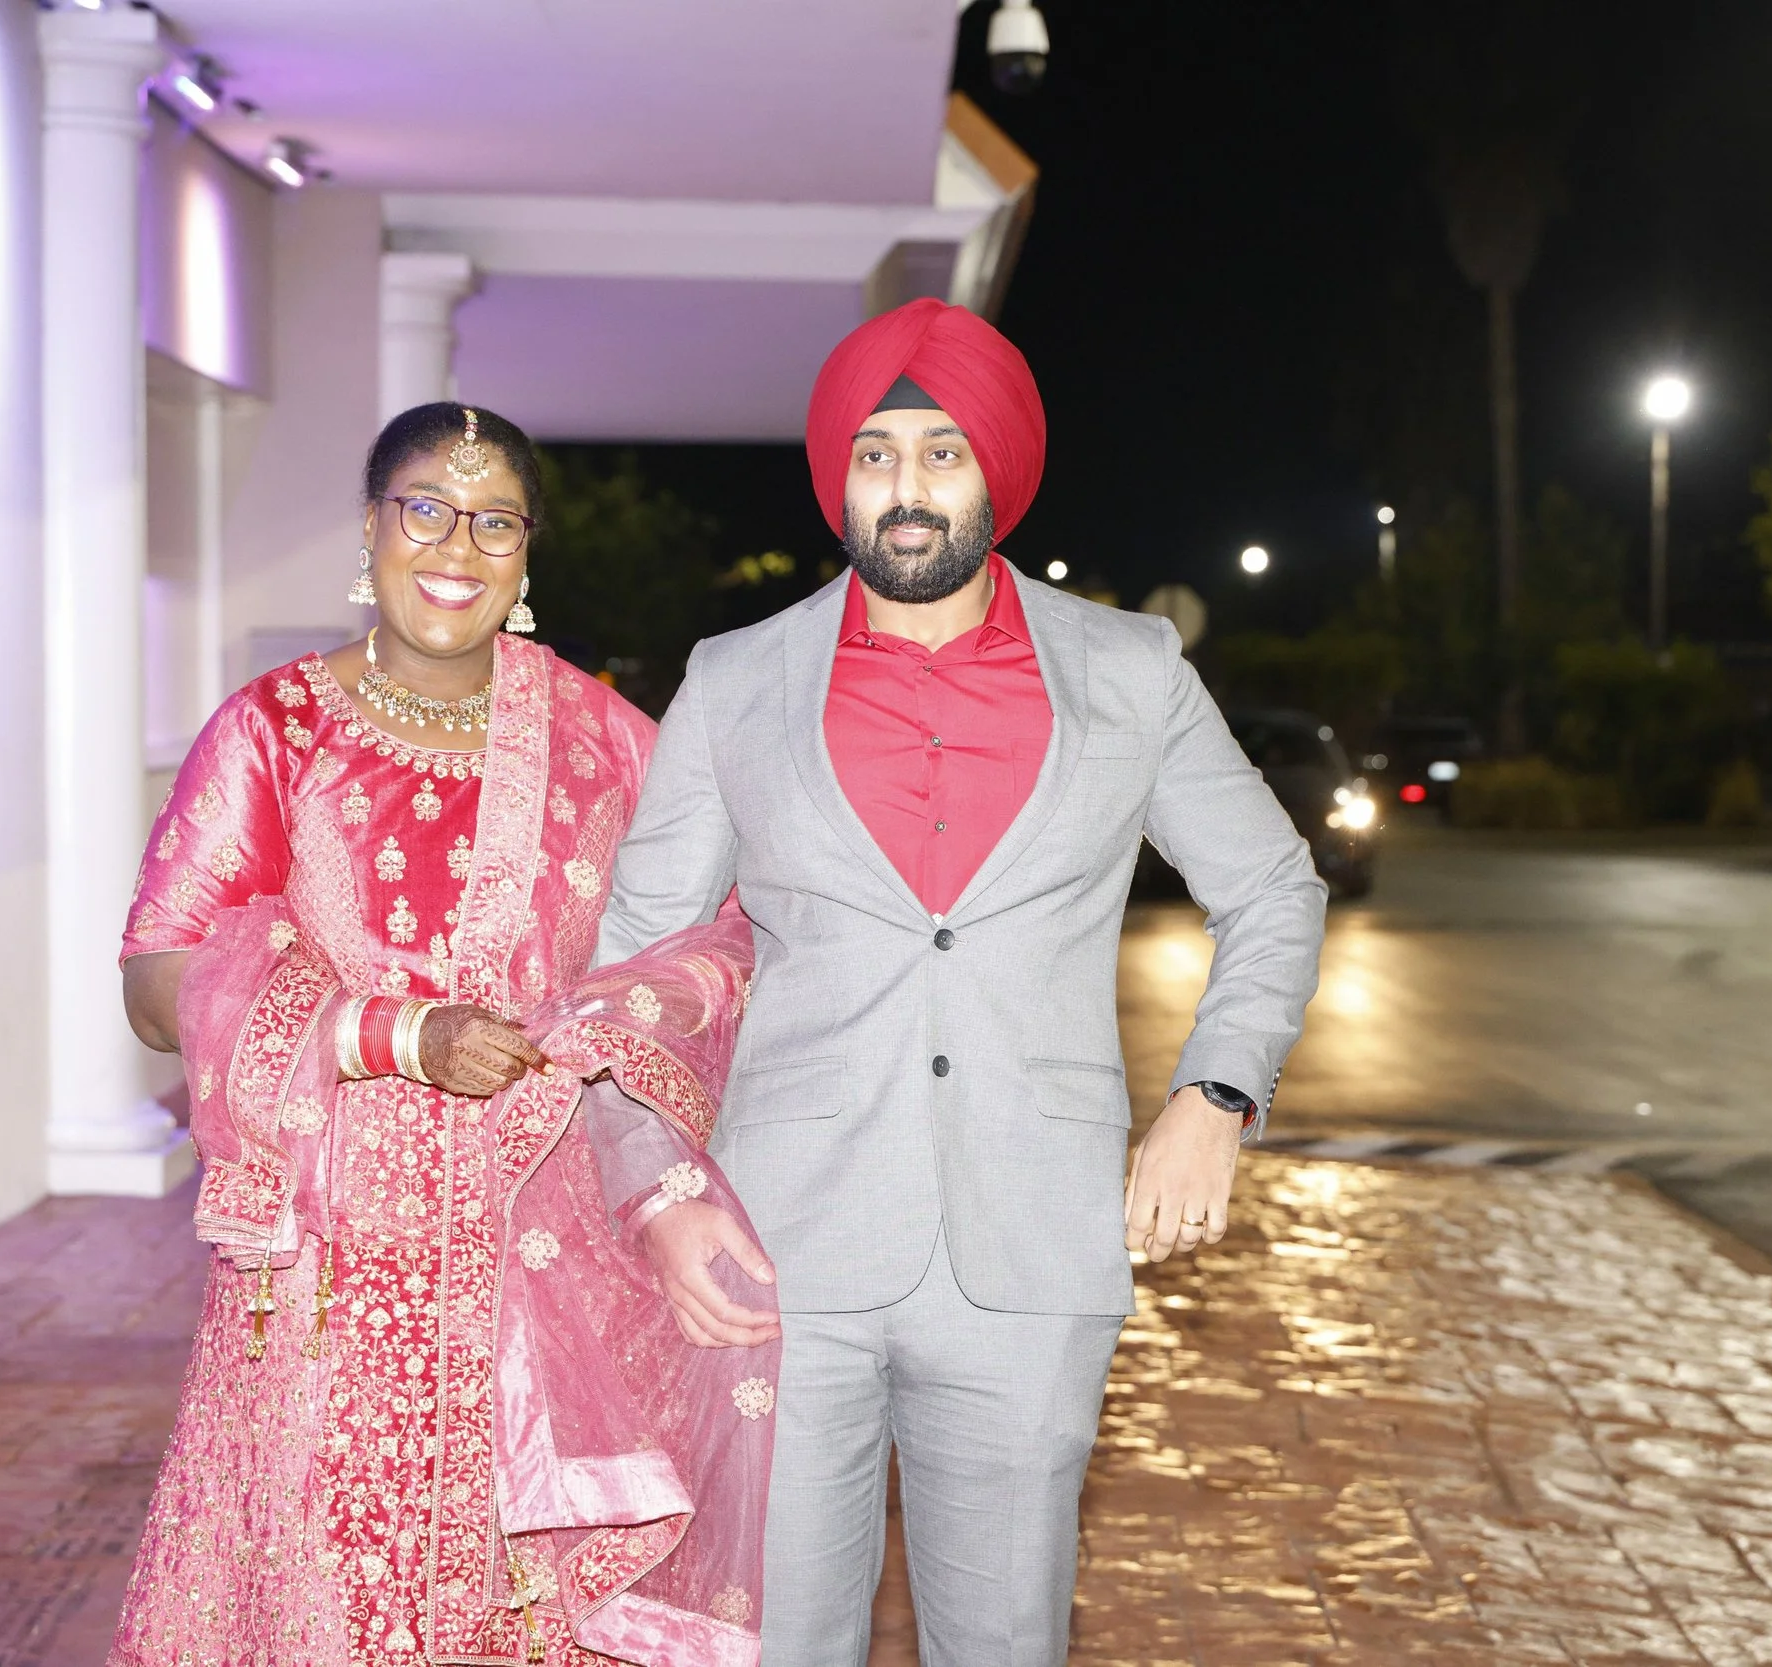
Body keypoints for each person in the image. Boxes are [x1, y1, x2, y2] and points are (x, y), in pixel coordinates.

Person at [595, 299, 1329, 1666]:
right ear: (839, 479)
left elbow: (1274, 888)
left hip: (1035, 1243)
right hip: (778, 1249)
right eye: (875, 455)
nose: (908, 489)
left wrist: (1213, 1094)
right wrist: (656, 1189)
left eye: (941, 452)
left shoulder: (1130, 672)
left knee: (1002, 1637)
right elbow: (627, 964)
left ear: (994, 466)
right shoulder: (738, 681)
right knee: (780, 1640)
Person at [111, 402, 780, 1667]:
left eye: (493, 519)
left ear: (526, 555)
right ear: (369, 530)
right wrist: (388, 1030)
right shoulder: (276, 730)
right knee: (331, 1589)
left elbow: (717, 934)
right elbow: (158, 978)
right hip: (328, 1262)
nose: (455, 543)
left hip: (548, 1240)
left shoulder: (605, 739)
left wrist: (610, 1035)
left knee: (515, 1606)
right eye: (423, 506)